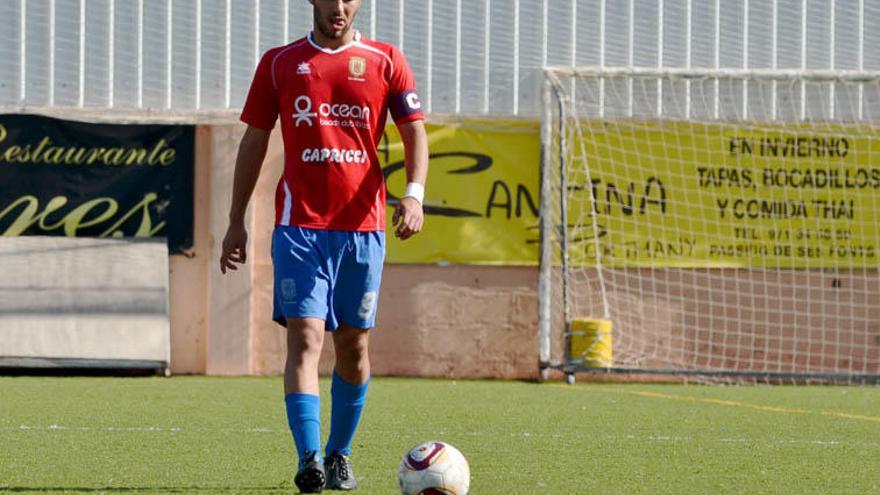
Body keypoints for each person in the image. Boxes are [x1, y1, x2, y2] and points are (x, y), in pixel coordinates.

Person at [218, 0, 428, 492]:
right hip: (299, 227)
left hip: (363, 229)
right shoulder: (280, 62)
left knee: (353, 347)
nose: (339, 7)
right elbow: (254, 141)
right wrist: (235, 220)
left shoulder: (386, 60)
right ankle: (309, 458)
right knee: (305, 337)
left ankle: (340, 454)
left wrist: (413, 196)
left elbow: (414, 132)